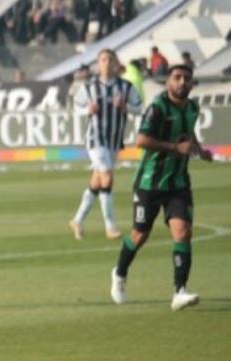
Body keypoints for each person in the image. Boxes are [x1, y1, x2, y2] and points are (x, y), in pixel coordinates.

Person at [109, 64, 213, 311]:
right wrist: (176, 149)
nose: (182, 82)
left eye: (187, 78)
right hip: (149, 182)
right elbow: (141, 140)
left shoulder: (192, 108)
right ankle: (120, 273)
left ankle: (180, 291)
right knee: (139, 235)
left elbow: (189, 135)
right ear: (168, 81)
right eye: (177, 77)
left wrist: (199, 149)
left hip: (178, 182)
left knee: (183, 232)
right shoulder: (157, 107)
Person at [69, 49, 140, 241]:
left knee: (98, 181)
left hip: (114, 141)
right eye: (103, 59)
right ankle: (110, 226)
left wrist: (126, 107)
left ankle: (77, 220)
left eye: (110, 59)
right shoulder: (89, 87)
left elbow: (139, 107)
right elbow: (76, 107)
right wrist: (87, 110)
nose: (107, 63)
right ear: (98, 64)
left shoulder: (126, 87)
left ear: (116, 63)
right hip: (96, 139)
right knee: (107, 177)